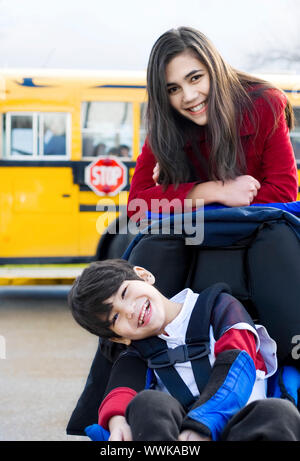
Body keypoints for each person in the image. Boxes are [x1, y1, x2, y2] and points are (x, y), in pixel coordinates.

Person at [68, 259, 300, 442]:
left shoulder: (220, 308)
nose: (130, 310)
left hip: (241, 425)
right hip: (178, 437)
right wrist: (117, 419)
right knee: (147, 403)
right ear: (119, 337)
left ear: (144, 276)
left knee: (278, 411)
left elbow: (237, 367)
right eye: (116, 317)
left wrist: (202, 425)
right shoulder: (137, 350)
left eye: (125, 293)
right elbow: (121, 388)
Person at [127, 27, 298, 219]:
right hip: (193, 239)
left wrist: (184, 201)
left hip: (260, 235)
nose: (189, 97)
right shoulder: (167, 124)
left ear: (214, 70)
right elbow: (136, 205)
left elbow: (284, 194)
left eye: (195, 78)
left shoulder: (264, 104)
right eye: (173, 89)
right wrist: (215, 191)